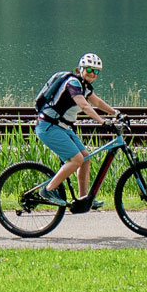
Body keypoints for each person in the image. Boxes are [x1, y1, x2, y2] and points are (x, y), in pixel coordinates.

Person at [34, 52, 121, 210]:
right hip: (49, 126)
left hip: (62, 127)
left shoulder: (85, 87)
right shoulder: (73, 83)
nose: (92, 74)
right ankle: (48, 190)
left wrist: (116, 113)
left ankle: (83, 199)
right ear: (81, 68)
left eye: (96, 71)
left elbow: (98, 102)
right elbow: (85, 106)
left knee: (86, 157)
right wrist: (102, 122)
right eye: (89, 69)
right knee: (77, 160)